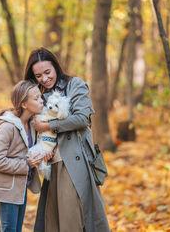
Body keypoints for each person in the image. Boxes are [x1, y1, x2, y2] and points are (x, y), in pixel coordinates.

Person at [24, 47, 110, 232]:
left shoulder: (75, 85)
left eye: (47, 72)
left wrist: (49, 126)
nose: (44, 79)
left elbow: (81, 119)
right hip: (51, 165)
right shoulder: (38, 93)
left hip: (73, 162)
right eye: (38, 75)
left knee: (74, 218)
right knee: (53, 220)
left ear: (56, 67)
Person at [0, 80, 46, 232]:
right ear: (24, 104)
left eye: (40, 97)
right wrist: (26, 165)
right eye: (36, 98)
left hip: (21, 186)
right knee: (10, 229)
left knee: (16, 229)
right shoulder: (7, 127)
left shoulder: (31, 124)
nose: (41, 100)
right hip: (7, 188)